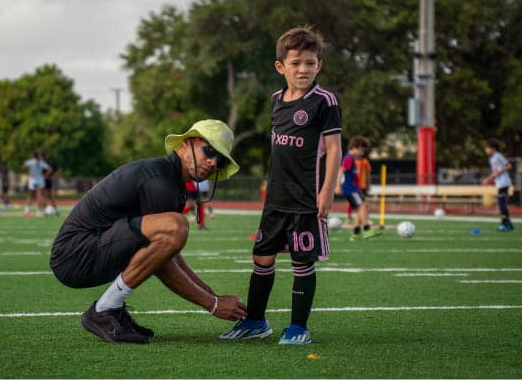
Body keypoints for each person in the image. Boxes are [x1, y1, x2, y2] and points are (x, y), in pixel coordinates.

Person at [50, 119, 246, 344]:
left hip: (88, 250)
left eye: (220, 160)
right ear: (187, 143)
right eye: (209, 151)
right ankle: (105, 310)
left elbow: (167, 252)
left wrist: (214, 296)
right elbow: (164, 258)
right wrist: (211, 304)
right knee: (176, 225)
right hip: (74, 256)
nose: (213, 162)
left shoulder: (171, 179)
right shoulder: (159, 180)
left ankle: (111, 308)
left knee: (174, 228)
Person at [220, 26, 342, 345]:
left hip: (306, 200)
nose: (303, 69)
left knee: (302, 262)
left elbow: (334, 149)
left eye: (310, 63)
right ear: (280, 67)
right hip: (275, 199)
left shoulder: (325, 102)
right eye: (296, 63)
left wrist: (328, 190)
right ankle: (256, 321)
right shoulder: (276, 100)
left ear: (320, 65)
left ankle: (298, 327)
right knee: (262, 257)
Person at [336, 136, 382, 241]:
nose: (362, 153)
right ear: (354, 147)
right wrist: (337, 186)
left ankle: (357, 233)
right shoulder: (348, 158)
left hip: (354, 189)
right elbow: (341, 170)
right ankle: (366, 229)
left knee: (362, 208)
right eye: (361, 150)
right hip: (350, 189)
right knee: (362, 206)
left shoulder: (351, 158)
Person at [482, 138, 514, 232]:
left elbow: (509, 166)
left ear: (493, 149)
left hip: (504, 182)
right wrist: (488, 179)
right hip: (499, 184)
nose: (486, 150)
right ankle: (508, 224)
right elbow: (495, 172)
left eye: (487, 148)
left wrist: (500, 172)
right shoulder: (492, 158)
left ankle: (505, 223)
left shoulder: (498, 156)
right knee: (501, 204)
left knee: (502, 204)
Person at [346, 148, 372, 223]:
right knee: (355, 203)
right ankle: (349, 217)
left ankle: (364, 219)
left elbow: (368, 174)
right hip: (354, 186)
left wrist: (368, 184)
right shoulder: (352, 160)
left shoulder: (365, 162)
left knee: (363, 203)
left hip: (362, 185)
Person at [22, 151, 50, 217]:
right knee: (39, 195)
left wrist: (27, 173)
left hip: (33, 178)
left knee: (30, 195)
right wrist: (45, 175)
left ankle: (27, 210)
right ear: (38, 156)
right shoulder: (41, 162)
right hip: (40, 178)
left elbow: (23, 166)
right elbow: (49, 169)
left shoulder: (30, 161)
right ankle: (38, 211)